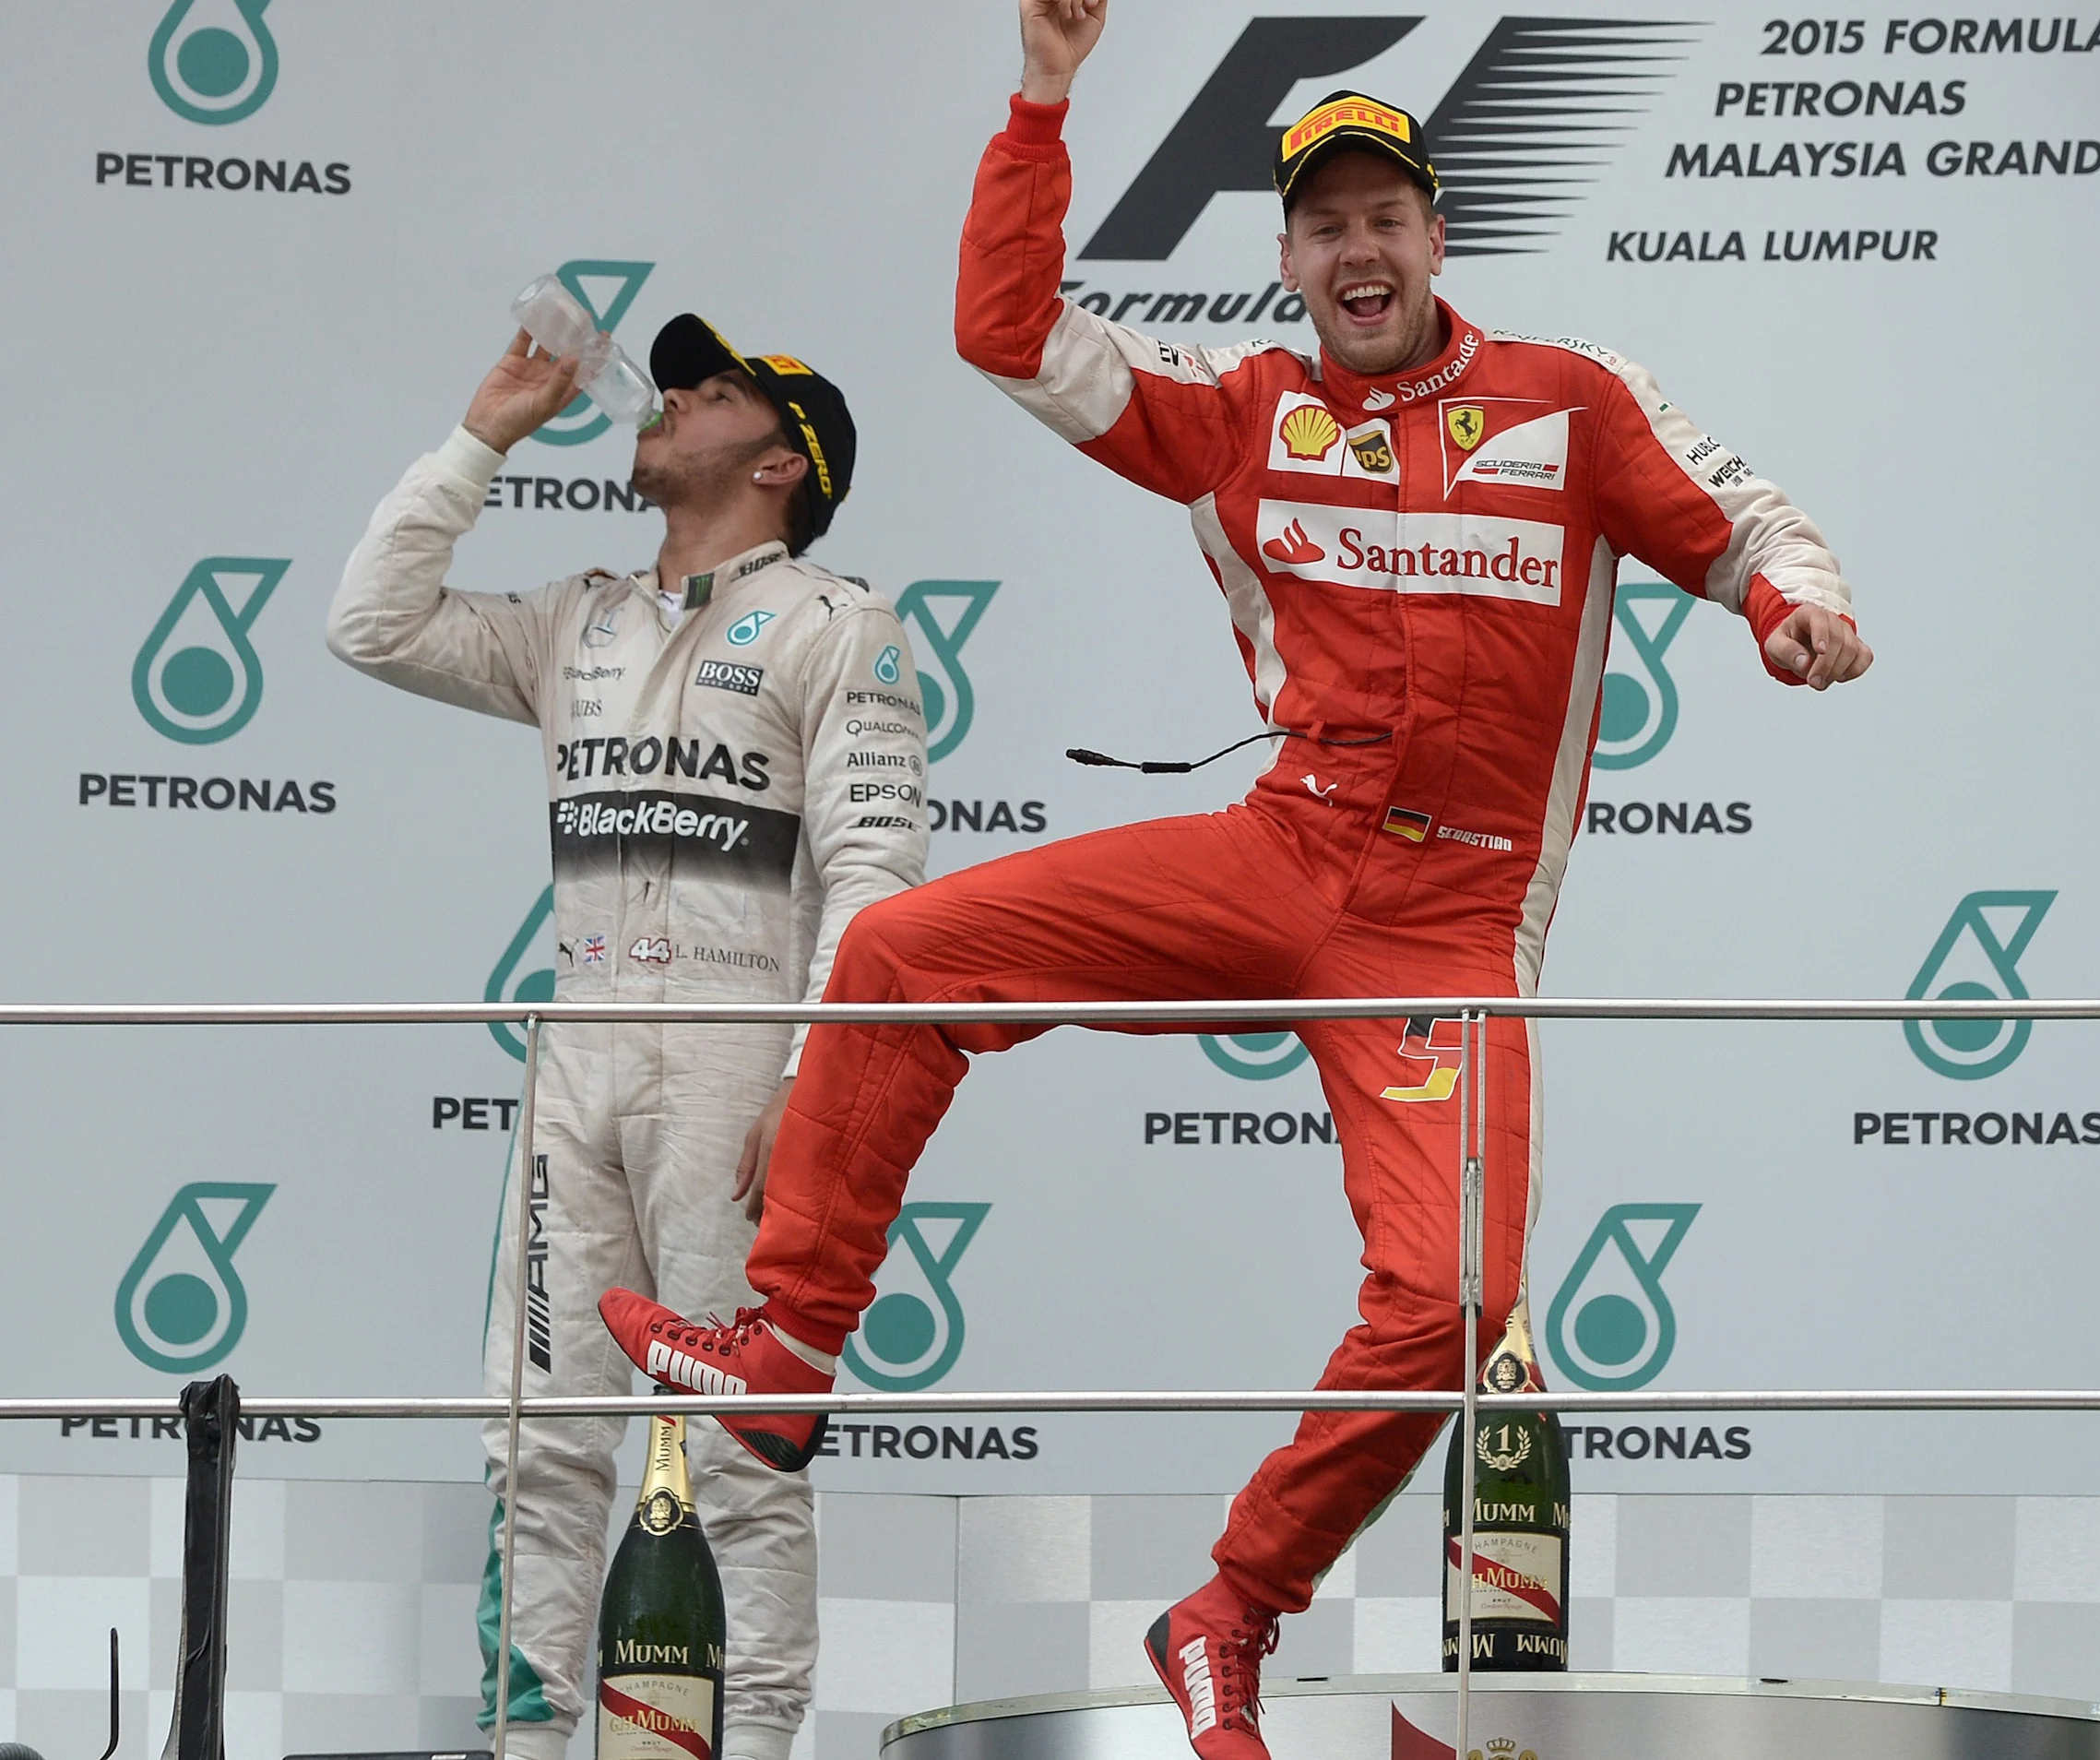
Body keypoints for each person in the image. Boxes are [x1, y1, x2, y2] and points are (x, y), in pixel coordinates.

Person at [600, 4, 1869, 1755]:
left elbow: (1746, 526)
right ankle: (791, 1346)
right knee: (899, 949)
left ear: (1437, 236)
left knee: (1457, 1305)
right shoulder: (1241, 411)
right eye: (1324, 226)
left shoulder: (1570, 399)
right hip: (1284, 853)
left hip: (1454, 923)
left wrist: (1799, 612)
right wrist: (1043, 100)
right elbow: (1009, 334)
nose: (1359, 250)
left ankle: (1230, 1611)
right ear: (1288, 260)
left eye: (1385, 216)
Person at [329, 316, 924, 1760]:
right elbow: (372, 623)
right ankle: (525, 1746)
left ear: (782, 463)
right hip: (577, 1061)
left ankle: (754, 1747)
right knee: (534, 1443)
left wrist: (812, 1075)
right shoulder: (574, 621)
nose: (665, 402)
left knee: (745, 1449)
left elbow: (876, 876)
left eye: (707, 394)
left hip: (737, 1067)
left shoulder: (838, 624)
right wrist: (484, 433)